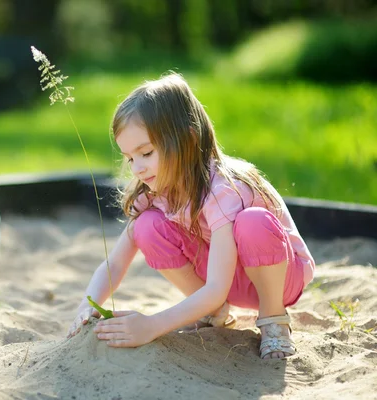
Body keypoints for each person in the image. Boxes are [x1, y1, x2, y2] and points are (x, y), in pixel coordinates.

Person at [67, 73, 315, 360]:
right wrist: (87, 307)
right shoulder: (156, 189)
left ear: (188, 138)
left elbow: (216, 287)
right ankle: (212, 313)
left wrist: (151, 325)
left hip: (280, 276)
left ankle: (273, 320)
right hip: (223, 280)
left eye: (146, 152)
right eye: (130, 158)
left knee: (253, 222)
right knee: (146, 227)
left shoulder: (223, 188)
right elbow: (117, 260)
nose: (137, 168)